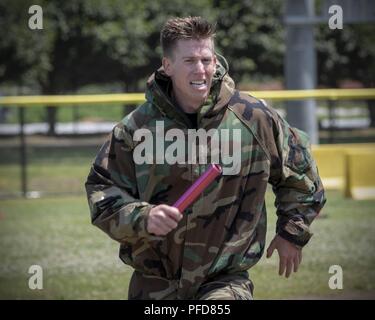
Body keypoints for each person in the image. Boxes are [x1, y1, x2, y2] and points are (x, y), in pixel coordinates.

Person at [85, 16, 326, 300]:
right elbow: (102, 189)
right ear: (168, 66)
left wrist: (291, 233)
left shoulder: (254, 118)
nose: (201, 69)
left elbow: (301, 175)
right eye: (189, 61)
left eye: (207, 60)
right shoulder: (136, 128)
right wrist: (143, 217)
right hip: (153, 284)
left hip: (225, 282)